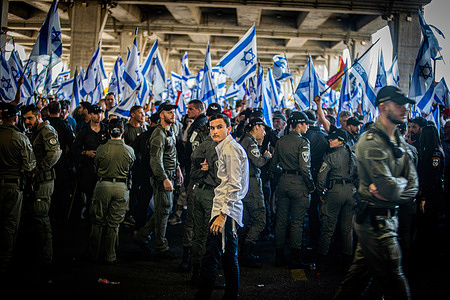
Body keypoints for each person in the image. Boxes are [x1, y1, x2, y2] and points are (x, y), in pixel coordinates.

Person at [333, 85, 419, 300]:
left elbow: (414, 184)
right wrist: (401, 186)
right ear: (383, 107)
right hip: (376, 224)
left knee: (354, 283)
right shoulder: (371, 142)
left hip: (387, 220)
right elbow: (392, 188)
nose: (404, 109)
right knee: (396, 286)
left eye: (404, 105)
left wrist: (396, 187)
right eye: (398, 104)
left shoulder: (398, 140)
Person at [195, 113, 249, 300]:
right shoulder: (224, 147)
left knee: (214, 257)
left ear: (229, 128)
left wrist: (223, 214)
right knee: (224, 257)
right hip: (223, 208)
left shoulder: (230, 149)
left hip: (226, 212)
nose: (215, 131)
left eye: (219, 127)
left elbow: (234, 185)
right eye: (212, 127)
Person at [132, 102, 183, 259]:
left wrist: (178, 168)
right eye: (169, 112)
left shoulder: (170, 131)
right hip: (163, 176)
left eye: (173, 112)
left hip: (170, 175)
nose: (173, 114)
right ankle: (161, 246)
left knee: (163, 209)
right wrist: (164, 179)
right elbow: (155, 161)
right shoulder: (158, 135)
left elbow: (172, 154)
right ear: (161, 115)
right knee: (163, 210)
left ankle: (141, 236)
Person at [270, 111, 315, 269]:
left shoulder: (281, 141)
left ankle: (279, 256)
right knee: (297, 222)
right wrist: (311, 186)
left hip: (283, 182)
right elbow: (305, 167)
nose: (307, 126)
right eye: (306, 124)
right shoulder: (303, 142)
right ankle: (295, 258)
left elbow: (273, 165)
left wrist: (280, 177)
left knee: (281, 222)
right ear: (300, 124)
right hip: (298, 184)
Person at [87, 119, 135, 264]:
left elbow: (96, 164)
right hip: (121, 187)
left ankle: (93, 254)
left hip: (103, 185)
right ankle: (110, 255)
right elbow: (131, 166)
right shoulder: (129, 150)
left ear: (108, 131)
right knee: (114, 224)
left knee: (97, 222)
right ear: (123, 131)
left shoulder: (101, 148)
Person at [22, 104, 62, 266]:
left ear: (38, 116)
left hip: (44, 179)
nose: (27, 122)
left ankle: (46, 256)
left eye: (30, 118)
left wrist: (40, 167)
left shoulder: (46, 130)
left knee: (41, 217)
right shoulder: (36, 131)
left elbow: (55, 152)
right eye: (25, 119)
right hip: (36, 180)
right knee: (36, 217)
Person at [0, 104, 36, 274]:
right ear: (15, 119)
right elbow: (29, 166)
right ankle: (5, 262)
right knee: (10, 224)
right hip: (13, 185)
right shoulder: (20, 138)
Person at [315, 128, 357, 272]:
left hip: (335, 192)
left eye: (332, 139)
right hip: (351, 192)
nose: (329, 140)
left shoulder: (331, 157)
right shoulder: (353, 156)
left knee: (328, 227)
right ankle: (347, 262)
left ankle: (322, 261)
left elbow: (321, 177)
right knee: (347, 230)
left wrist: (321, 192)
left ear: (340, 141)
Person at [238, 117, 272, 268]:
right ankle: (246, 251)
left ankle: (240, 251)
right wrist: (266, 155)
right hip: (251, 183)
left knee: (244, 219)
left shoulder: (246, 140)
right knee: (260, 218)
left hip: (246, 183)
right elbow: (258, 162)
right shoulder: (249, 141)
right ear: (257, 127)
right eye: (263, 129)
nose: (264, 133)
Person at [415, 125, 444, 271]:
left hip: (432, 196)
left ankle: (433, 259)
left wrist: (425, 196)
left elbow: (433, 177)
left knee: (431, 226)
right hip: (429, 194)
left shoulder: (435, 154)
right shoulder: (429, 152)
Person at [71, 105, 109, 219]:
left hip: (103, 168)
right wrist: (85, 152)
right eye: (96, 114)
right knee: (89, 195)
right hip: (88, 167)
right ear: (90, 115)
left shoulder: (106, 130)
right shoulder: (84, 131)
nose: (98, 116)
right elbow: (74, 149)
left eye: (100, 113)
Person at [304, 110, 329, 252]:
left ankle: (312, 239)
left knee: (311, 210)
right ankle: (322, 239)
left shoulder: (306, 136)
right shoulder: (325, 136)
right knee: (321, 209)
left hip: (309, 175)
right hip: (322, 176)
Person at [47, 101, 75, 223]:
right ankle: (60, 215)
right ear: (60, 111)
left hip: (46, 163)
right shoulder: (64, 125)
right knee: (61, 190)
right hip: (61, 163)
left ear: (48, 111)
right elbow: (72, 145)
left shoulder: (44, 124)